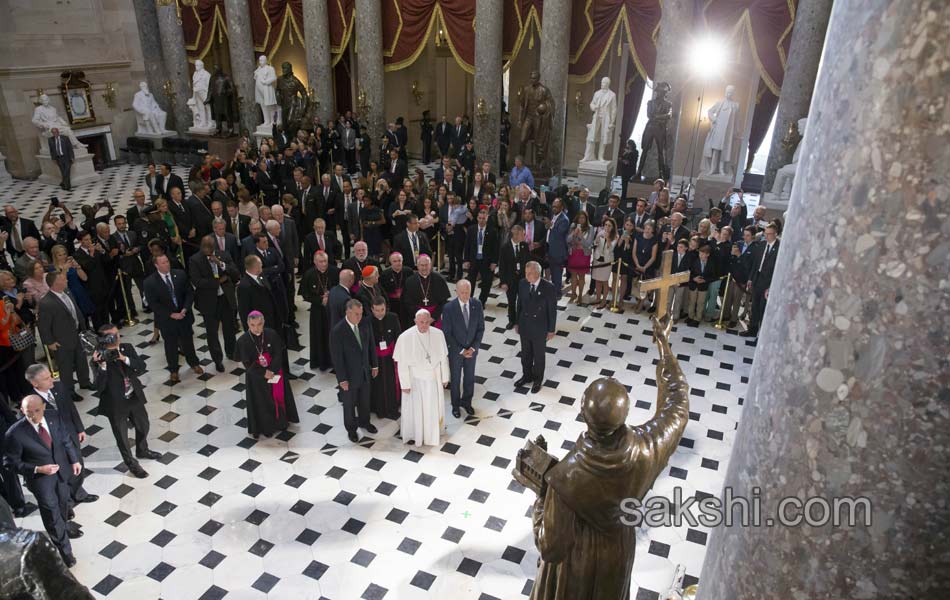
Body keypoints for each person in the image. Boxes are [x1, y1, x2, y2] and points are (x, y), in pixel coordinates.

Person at [528, 320, 689, 600]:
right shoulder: (645, 449)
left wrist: (542, 499)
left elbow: (551, 548)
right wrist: (664, 347)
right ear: (625, 412)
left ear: (583, 413)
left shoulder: (565, 477)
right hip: (617, 553)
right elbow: (677, 406)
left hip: (574, 569)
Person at [3, 395, 81, 567]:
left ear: (43, 407)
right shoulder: (15, 433)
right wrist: (37, 469)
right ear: (22, 411)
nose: (32, 415)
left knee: (63, 505)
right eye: (27, 412)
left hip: (61, 473)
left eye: (36, 411)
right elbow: (10, 463)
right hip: (40, 481)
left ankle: (64, 529)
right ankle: (65, 551)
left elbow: (65, 439)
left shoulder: (53, 416)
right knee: (52, 514)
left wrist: (74, 460)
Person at [92, 323, 161, 478]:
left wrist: (124, 358)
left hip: (133, 396)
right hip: (116, 404)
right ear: (104, 339)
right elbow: (98, 386)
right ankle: (132, 464)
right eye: (113, 335)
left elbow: (141, 367)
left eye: (117, 334)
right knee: (122, 438)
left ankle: (142, 450)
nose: (117, 337)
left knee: (143, 425)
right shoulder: (98, 357)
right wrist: (102, 367)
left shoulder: (126, 348)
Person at [25, 364, 96, 506]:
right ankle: (67, 502)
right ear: (35, 383)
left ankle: (78, 493)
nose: (51, 380)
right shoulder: (31, 402)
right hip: (53, 443)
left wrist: (79, 428)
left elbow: (71, 408)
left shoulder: (59, 387)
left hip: (70, 434)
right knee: (62, 471)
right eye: (46, 379)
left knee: (78, 464)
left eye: (50, 375)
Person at [236, 311, 299, 439]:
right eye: (253, 325)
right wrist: (264, 373)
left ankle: (281, 422)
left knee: (278, 398)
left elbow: (278, 354)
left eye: (259, 324)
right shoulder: (243, 341)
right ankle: (266, 428)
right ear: (248, 324)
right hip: (256, 378)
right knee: (262, 403)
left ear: (263, 322)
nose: (256, 328)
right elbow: (247, 363)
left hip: (274, 372)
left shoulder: (271, 334)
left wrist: (272, 371)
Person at [143, 254, 203, 383]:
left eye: (167, 261)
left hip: (184, 316)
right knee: (170, 345)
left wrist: (185, 308)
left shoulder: (180, 274)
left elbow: (189, 292)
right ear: (156, 265)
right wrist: (170, 314)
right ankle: (174, 370)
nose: (167, 264)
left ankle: (194, 363)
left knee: (188, 342)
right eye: (163, 263)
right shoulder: (150, 282)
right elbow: (153, 304)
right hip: (167, 320)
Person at [393, 309, 450, 446]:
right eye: (421, 322)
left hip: (433, 379)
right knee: (416, 411)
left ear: (430, 320)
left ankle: (432, 433)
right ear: (415, 321)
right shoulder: (405, 337)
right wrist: (405, 384)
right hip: (415, 381)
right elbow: (402, 364)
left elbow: (443, 358)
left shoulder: (438, 334)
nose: (424, 325)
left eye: (427, 322)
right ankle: (415, 434)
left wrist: (445, 377)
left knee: (432, 409)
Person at [329, 300, 379, 443]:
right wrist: (342, 379)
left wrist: (374, 365)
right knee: (349, 404)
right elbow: (337, 358)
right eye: (356, 314)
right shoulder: (338, 331)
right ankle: (351, 430)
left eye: (361, 313)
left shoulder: (364, 323)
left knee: (365, 400)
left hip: (365, 372)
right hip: (349, 376)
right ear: (348, 312)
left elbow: (371, 344)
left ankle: (365, 422)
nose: (359, 317)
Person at [37, 271, 91, 401]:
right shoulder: (46, 302)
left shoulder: (67, 292)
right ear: (56, 283)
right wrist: (49, 342)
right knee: (65, 366)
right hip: (61, 339)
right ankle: (69, 390)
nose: (66, 281)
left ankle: (85, 381)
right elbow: (43, 325)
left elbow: (75, 309)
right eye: (63, 279)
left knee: (81, 359)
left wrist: (83, 327)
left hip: (76, 333)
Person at [189, 236, 240, 372]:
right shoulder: (195, 260)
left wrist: (220, 263)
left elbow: (235, 273)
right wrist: (218, 282)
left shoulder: (223, 254)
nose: (207, 251)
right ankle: (217, 360)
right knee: (212, 333)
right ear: (201, 246)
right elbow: (197, 281)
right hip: (208, 302)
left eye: (210, 248)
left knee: (230, 328)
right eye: (205, 248)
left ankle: (232, 352)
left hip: (225, 298)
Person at [441, 280, 484, 418]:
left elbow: (480, 329)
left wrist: (473, 348)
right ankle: (455, 405)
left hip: (472, 350)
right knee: (455, 379)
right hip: (456, 352)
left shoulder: (477, 305)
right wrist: (461, 350)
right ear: (457, 292)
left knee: (469, 377)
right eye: (462, 292)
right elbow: (447, 333)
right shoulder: (449, 308)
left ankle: (467, 402)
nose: (465, 295)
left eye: (468, 292)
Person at [516, 261, 557, 393]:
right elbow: (519, 305)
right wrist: (517, 322)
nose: (526, 276)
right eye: (526, 273)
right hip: (525, 326)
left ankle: (538, 380)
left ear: (537, 273)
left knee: (539, 357)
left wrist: (551, 329)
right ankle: (526, 376)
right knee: (526, 355)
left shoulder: (548, 287)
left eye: (529, 273)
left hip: (540, 328)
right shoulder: (522, 283)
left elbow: (552, 310)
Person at [300, 250, 339, 370]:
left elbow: (342, 288)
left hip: (333, 309)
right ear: (315, 262)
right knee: (319, 335)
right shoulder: (309, 274)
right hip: (317, 311)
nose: (323, 264)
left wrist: (331, 296)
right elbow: (305, 294)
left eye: (325, 261)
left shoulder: (335, 271)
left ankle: (334, 361)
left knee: (333, 335)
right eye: (320, 262)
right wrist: (320, 300)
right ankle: (321, 362)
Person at [742, 223, 780, 338]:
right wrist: (750, 279)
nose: (767, 236)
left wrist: (771, 286)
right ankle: (752, 329)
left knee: (763, 309)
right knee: (755, 307)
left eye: (769, 234)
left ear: (776, 234)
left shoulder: (779, 248)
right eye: (765, 233)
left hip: (768, 282)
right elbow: (756, 263)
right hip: (757, 279)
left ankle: (762, 335)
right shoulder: (762, 245)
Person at [368, 297, 401, 419]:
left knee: (391, 383)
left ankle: (393, 408)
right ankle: (380, 409)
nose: (380, 313)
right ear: (372, 309)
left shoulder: (393, 317)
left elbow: (398, 336)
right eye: (377, 310)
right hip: (375, 359)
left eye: (382, 309)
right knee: (378, 384)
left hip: (390, 358)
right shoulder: (368, 321)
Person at [401, 255, 450, 329]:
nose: (424, 268)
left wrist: (433, 317)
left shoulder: (439, 279)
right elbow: (408, 302)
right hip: (416, 317)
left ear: (430, 265)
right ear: (417, 266)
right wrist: (419, 316)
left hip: (435, 317)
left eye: (426, 265)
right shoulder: (410, 281)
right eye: (422, 265)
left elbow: (444, 302)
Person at [462, 208, 498, 307]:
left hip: (487, 261)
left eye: (483, 218)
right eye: (480, 218)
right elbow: (467, 245)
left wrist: (494, 262)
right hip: (473, 260)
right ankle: (469, 300)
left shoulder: (492, 231)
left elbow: (496, 248)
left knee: (486, 283)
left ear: (487, 219)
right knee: (470, 282)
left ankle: (482, 302)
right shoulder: (471, 229)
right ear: (477, 218)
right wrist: (466, 260)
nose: (481, 220)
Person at [498, 224, 530, 328]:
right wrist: (503, 282)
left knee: (522, 301)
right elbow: (502, 267)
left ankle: (520, 320)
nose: (524, 237)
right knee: (511, 302)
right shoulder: (505, 248)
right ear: (515, 235)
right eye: (522, 235)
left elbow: (527, 262)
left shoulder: (524, 246)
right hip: (510, 280)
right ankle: (512, 320)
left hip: (522, 280)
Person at [566, 212, 595, 305]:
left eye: (583, 218)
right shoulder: (573, 226)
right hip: (574, 253)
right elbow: (568, 240)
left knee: (582, 276)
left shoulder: (590, 228)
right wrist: (574, 234)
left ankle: (580, 295)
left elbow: (588, 244)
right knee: (573, 275)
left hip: (584, 254)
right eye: (579, 218)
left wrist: (581, 237)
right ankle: (573, 293)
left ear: (586, 219)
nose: (581, 220)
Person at [545, 198, 571, 300]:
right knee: (552, 271)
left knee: (557, 273)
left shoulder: (564, 219)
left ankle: (557, 293)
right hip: (550, 248)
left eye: (556, 207)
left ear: (561, 207)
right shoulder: (554, 216)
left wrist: (551, 225)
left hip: (558, 251)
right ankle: (553, 291)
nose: (554, 208)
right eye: (553, 206)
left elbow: (559, 233)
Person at [686, 244, 716, 326]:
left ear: (708, 254)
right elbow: (689, 272)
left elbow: (713, 276)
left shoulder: (711, 263)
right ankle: (690, 317)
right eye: (700, 253)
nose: (701, 255)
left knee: (701, 303)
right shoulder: (694, 261)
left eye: (703, 254)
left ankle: (697, 319)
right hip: (693, 285)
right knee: (692, 302)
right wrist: (693, 278)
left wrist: (705, 280)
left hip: (703, 286)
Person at [591, 218, 618, 309]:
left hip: (607, 261)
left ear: (613, 227)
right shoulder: (601, 232)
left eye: (609, 225)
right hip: (598, 259)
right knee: (597, 280)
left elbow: (611, 249)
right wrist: (598, 239)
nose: (607, 227)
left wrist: (608, 239)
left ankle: (604, 300)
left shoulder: (615, 236)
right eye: (606, 225)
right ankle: (598, 298)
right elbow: (595, 243)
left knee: (604, 281)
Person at [380, 252, 407, 328]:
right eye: (395, 261)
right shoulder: (385, 274)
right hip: (392, 304)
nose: (397, 263)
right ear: (391, 262)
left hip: (405, 302)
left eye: (399, 260)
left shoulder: (408, 271)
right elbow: (383, 290)